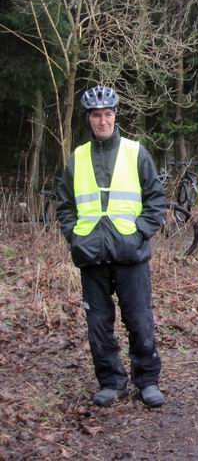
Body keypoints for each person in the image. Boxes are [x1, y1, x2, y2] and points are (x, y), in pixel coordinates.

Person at [55, 85, 167, 407]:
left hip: (130, 255)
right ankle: (111, 381)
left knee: (140, 320)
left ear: (115, 115)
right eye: (96, 115)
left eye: (107, 114)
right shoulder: (77, 157)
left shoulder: (135, 152)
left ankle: (147, 380)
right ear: (88, 119)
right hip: (91, 256)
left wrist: (138, 234)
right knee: (99, 326)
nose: (102, 121)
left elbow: (156, 200)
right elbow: (64, 205)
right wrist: (76, 237)